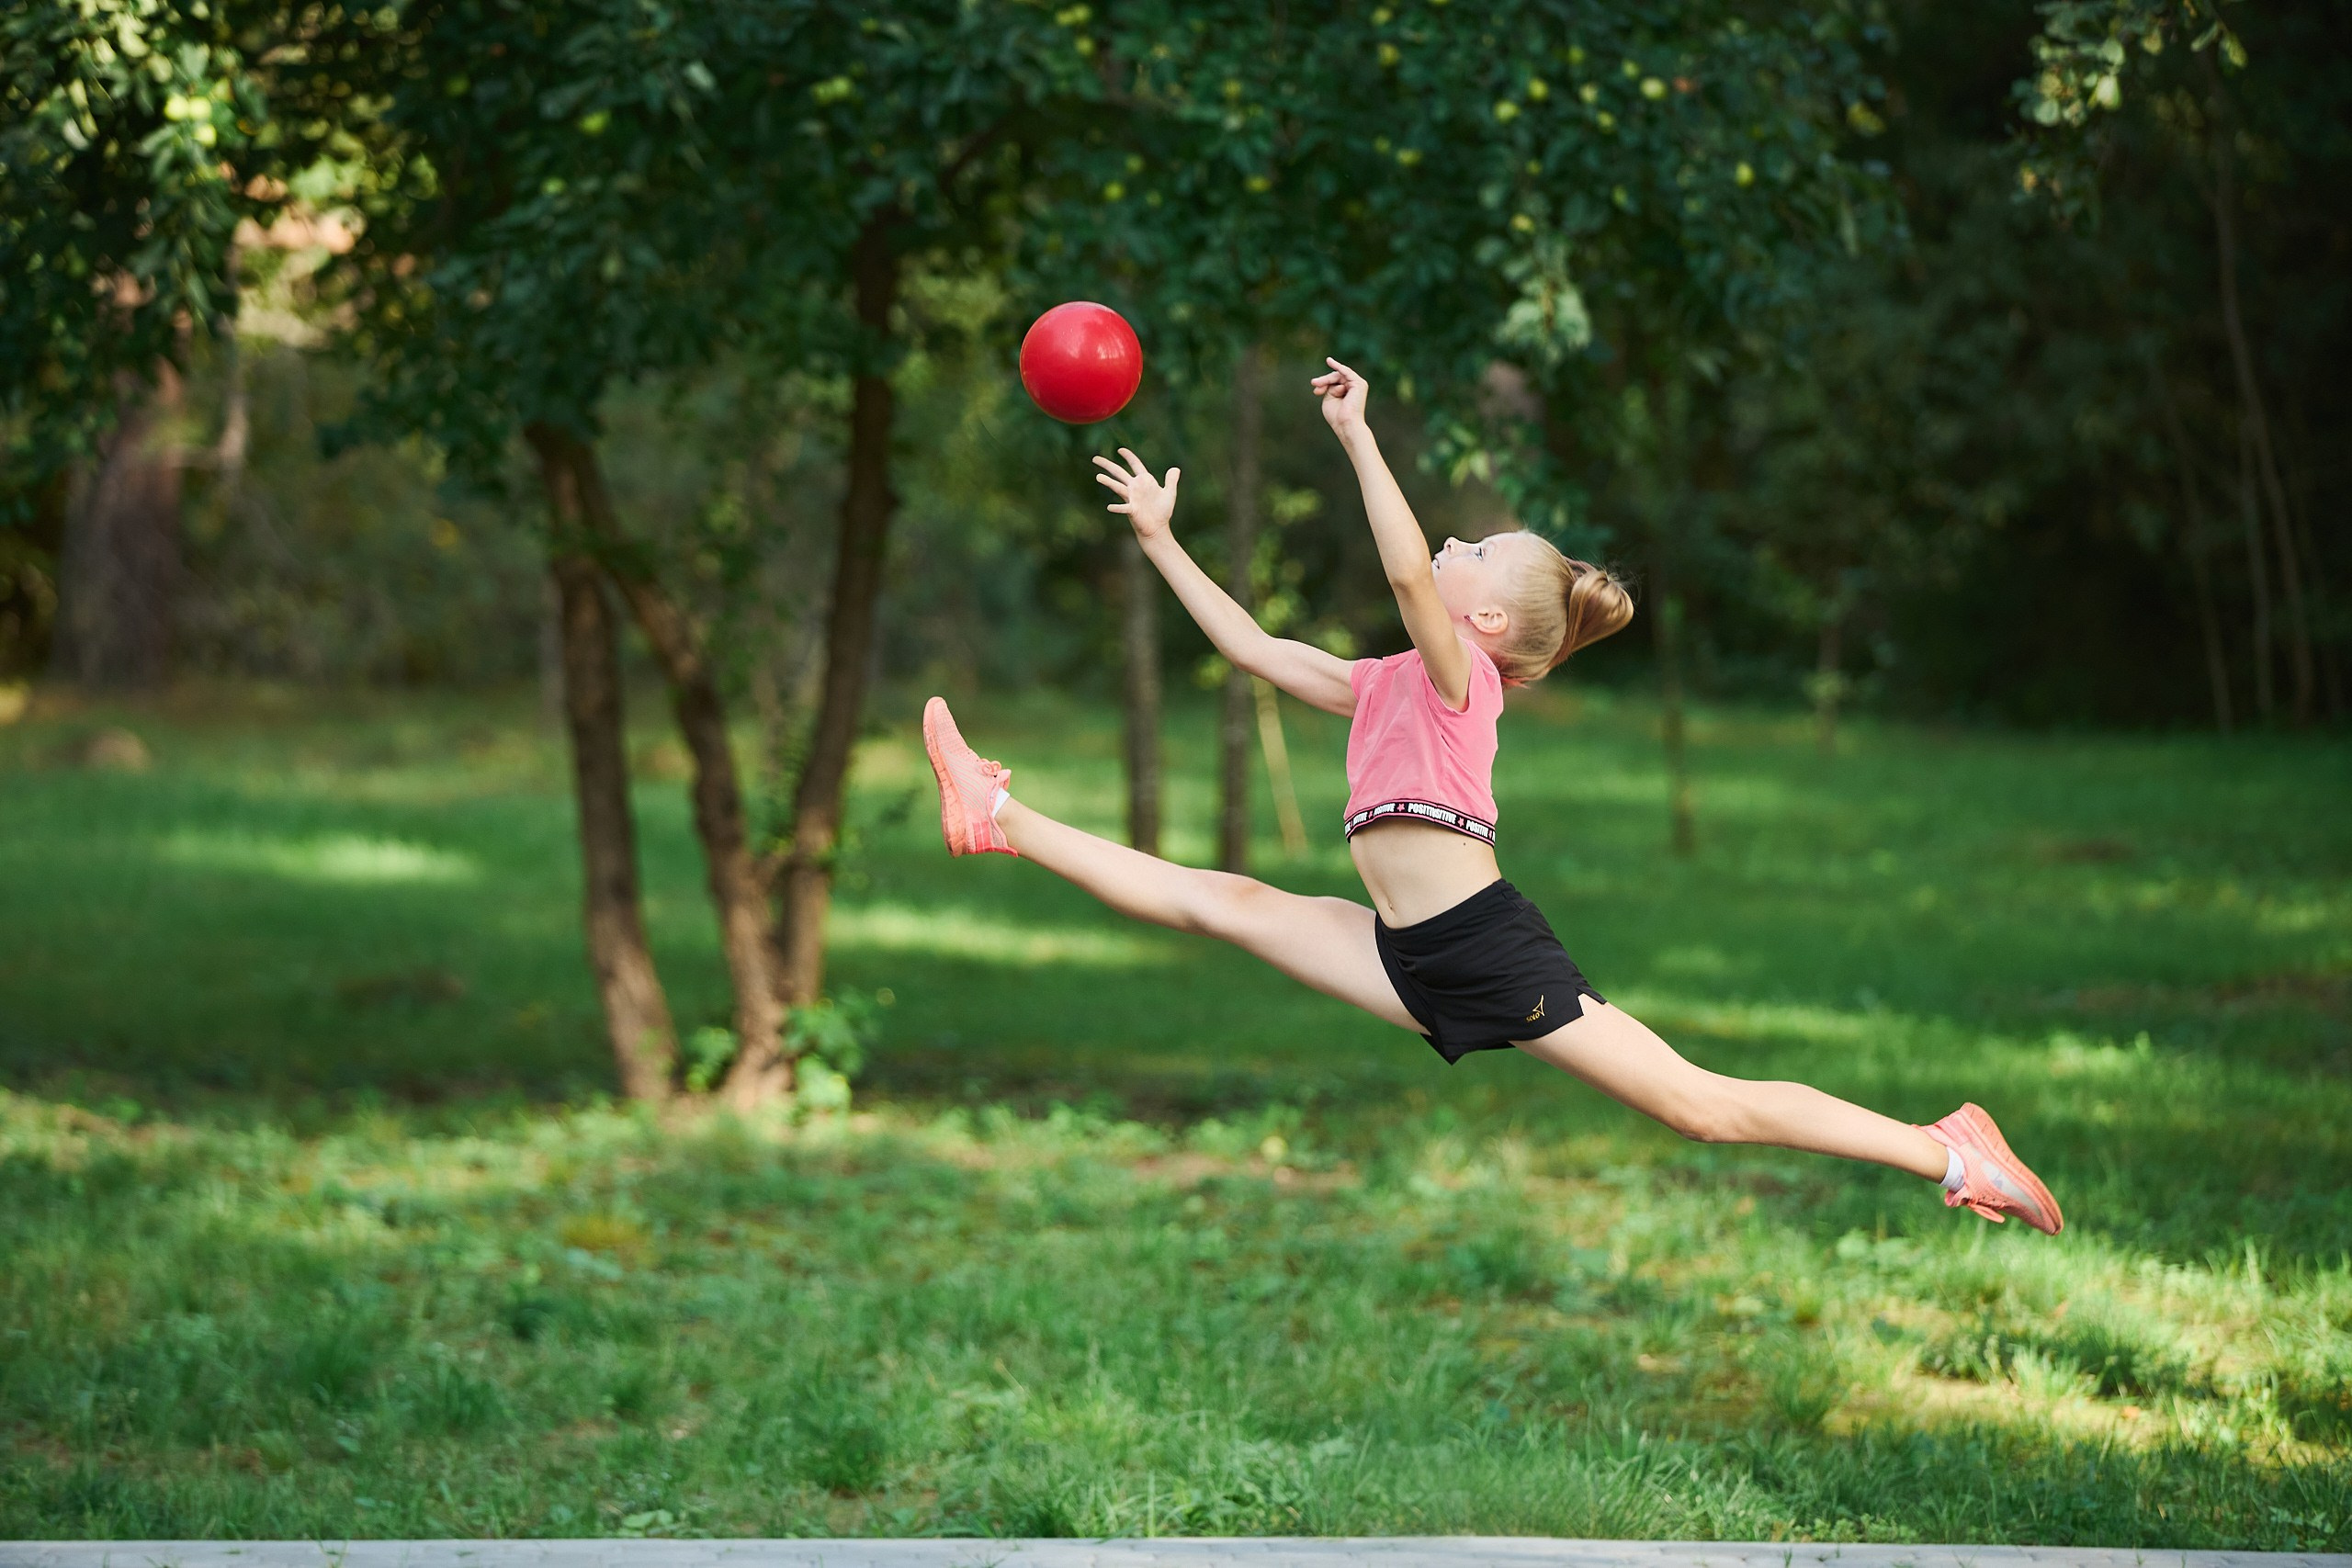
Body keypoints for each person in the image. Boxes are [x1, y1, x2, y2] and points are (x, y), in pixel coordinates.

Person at [921, 357, 2062, 1235]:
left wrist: (1360, 437)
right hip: (1411, 952)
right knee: (1216, 900)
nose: (1453, 541)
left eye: (1473, 548)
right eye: (1464, 537)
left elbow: (1408, 570)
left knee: (1698, 1106)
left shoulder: (1460, 683)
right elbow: (1257, 647)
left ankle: (1947, 1149)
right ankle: (997, 816)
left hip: (1483, 947)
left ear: (1483, 625)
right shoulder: (1385, 684)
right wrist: (1165, 544)